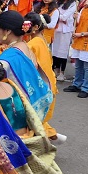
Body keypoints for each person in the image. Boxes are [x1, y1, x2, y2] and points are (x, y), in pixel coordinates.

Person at [0, 11, 54, 122]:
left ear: (7, 31)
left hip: (18, 111)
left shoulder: (8, 58)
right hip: (34, 103)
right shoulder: (25, 46)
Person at [24, 12, 65, 142]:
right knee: (37, 118)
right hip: (48, 84)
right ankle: (51, 135)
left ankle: (43, 143)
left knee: (33, 118)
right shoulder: (41, 39)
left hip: (42, 86)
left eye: (27, 25)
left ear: (35, 27)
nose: (24, 27)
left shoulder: (34, 42)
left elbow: (32, 66)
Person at [52, 0, 77, 81]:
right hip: (57, 29)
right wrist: (59, 17)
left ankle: (62, 72)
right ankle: (55, 70)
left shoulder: (74, 5)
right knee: (55, 51)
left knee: (63, 52)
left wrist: (57, 17)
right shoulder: (58, 2)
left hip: (66, 30)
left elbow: (64, 16)